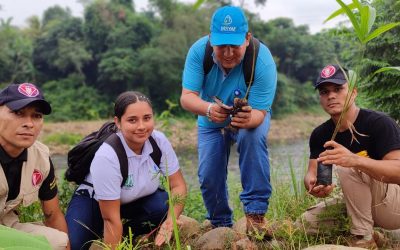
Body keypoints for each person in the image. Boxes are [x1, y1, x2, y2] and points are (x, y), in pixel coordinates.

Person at [180, 5, 277, 236]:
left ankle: (255, 214)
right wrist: (209, 109)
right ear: (211, 38)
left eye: (234, 45)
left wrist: (246, 119)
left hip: (250, 116)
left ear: (247, 38)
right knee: (208, 174)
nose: (228, 52)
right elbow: (187, 98)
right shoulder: (198, 52)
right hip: (211, 117)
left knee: (252, 139)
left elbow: (260, 113)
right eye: (222, 45)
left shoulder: (261, 61)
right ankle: (220, 224)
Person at [65, 91, 187, 249]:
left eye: (147, 118)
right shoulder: (108, 155)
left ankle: (125, 234)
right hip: (95, 202)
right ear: (118, 122)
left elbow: (178, 185)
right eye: (132, 120)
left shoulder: (159, 141)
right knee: (72, 245)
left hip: (133, 202)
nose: (141, 126)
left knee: (163, 207)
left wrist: (170, 221)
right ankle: (100, 232)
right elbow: (110, 219)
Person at [301, 64, 400, 248]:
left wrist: (355, 160)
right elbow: (311, 173)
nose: (331, 96)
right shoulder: (320, 134)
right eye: (324, 92)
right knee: (307, 223)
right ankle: (376, 235)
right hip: (357, 202)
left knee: (348, 165)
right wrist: (313, 185)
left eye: (338, 89)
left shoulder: (380, 123)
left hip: (393, 205)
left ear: (353, 93)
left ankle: (364, 239)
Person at [0, 83, 70, 249]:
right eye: (18, 113)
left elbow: (52, 214)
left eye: (36, 116)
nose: (29, 124)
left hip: (7, 224)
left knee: (60, 242)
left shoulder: (41, 157)